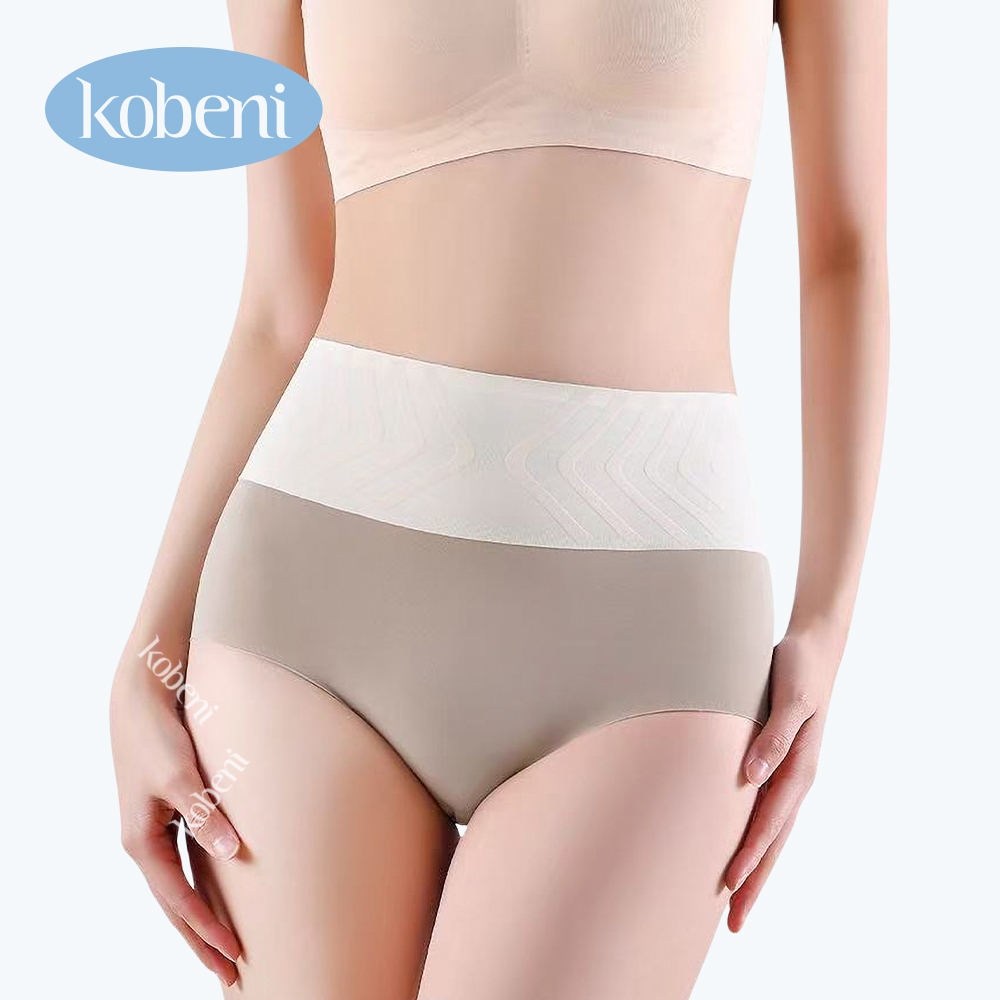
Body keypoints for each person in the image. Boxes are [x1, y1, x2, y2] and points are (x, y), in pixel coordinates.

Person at [110, 1, 889, 996]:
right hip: (303, 607)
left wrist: (827, 619)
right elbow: (281, 298)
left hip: (650, 634)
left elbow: (846, 257)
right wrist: (149, 653)